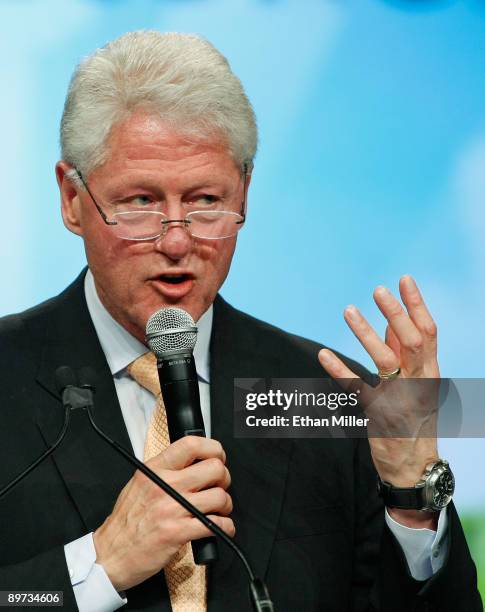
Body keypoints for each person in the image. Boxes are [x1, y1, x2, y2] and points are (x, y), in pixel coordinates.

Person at [0, 31, 481, 612]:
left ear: (245, 194)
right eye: (140, 202)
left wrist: (411, 495)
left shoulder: (328, 396)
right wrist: (99, 565)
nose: (176, 240)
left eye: (205, 200)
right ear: (72, 198)